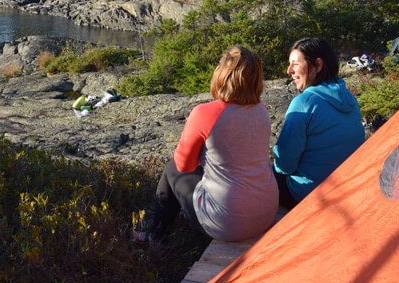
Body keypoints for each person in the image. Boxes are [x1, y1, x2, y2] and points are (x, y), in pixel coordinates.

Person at [147, 46, 278, 242]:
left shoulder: (204, 113)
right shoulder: (262, 111)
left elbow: (184, 166)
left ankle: (153, 237)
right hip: (267, 212)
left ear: (222, 74)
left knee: (172, 169)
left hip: (228, 223)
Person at [273, 37, 365, 209]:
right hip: (348, 190)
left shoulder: (304, 102)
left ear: (318, 64)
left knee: (266, 174)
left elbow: (284, 165)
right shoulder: (349, 99)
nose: (289, 70)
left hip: (310, 196)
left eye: (295, 64)